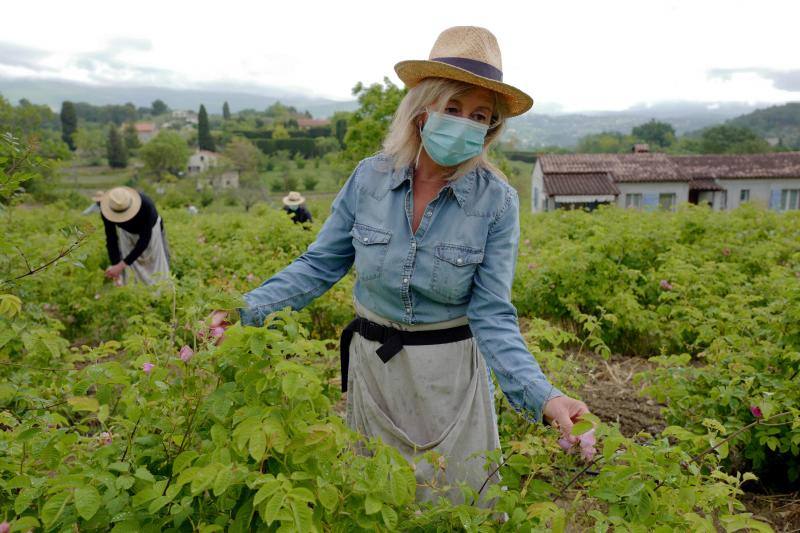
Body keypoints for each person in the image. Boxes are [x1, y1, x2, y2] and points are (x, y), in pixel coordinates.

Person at [222, 26, 590, 504]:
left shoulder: (495, 202)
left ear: (491, 129)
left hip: (449, 379)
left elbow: (493, 315)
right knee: (374, 498)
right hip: (375, 372)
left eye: (479, 115)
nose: (464, 122)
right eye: (452, 108)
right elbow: (319, 265)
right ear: (422, 110)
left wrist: (543, 395)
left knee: (455, 501)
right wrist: (243, 311)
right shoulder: (369, 179)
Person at [99, 186, 171, 285]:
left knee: (155, 266)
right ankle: (132, 291)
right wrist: (116, 266)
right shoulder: (108, 209)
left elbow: (144, 241)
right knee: (130, 270)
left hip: (152, 232)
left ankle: (161, 294)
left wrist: (121, 265)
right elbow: (111, 238)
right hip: (126, 233)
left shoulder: (146, 206)